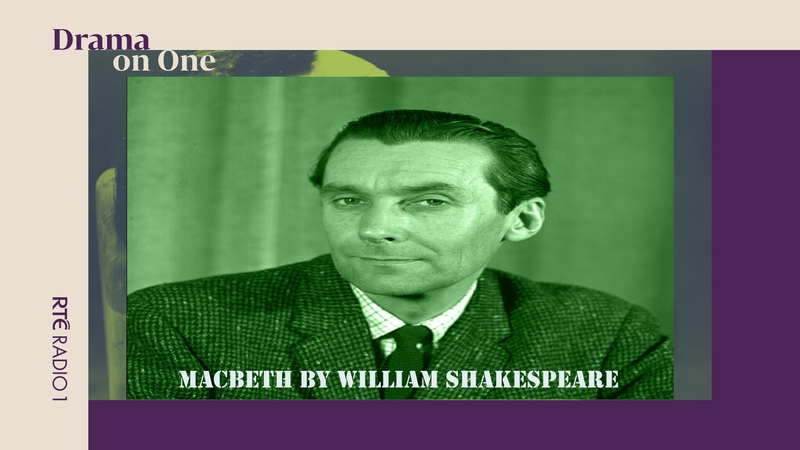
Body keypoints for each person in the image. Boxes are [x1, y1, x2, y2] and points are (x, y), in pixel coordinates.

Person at [127, 109, 673, 400]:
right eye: (348, 200)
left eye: (430, 201)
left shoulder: (607, 336)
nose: (375, 229)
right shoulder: (176, 323)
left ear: (522, 219)